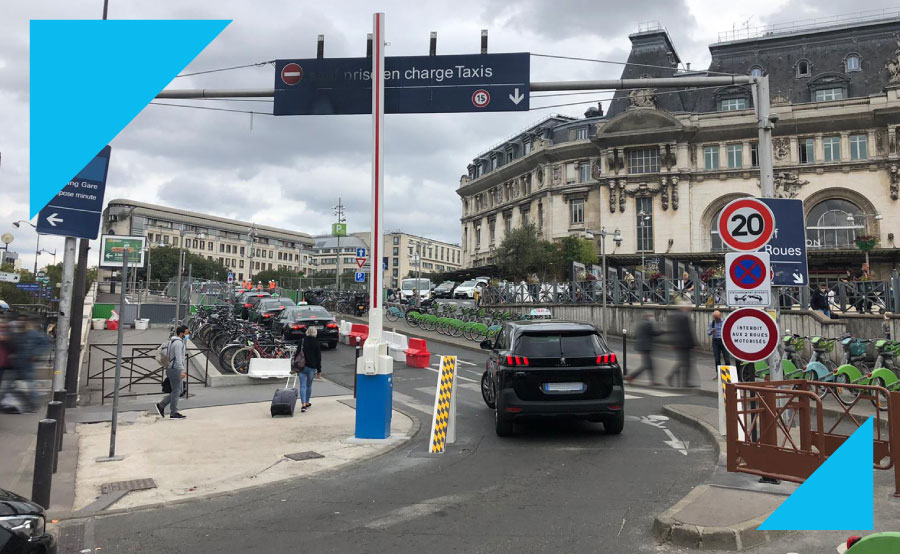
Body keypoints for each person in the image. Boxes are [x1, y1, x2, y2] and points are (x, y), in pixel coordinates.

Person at [156, 325, 189, 419]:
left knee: (179, 391)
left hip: (172, 368)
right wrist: (181, 371)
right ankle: (173, 412)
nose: (188, 334)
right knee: (176, 391)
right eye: (186, 333)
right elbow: (178, 358)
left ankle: (162, 405)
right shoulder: (178, 343)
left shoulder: (174, 341)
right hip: (175, 369)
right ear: (181, 333)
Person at [666, 302, 697, 387]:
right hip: (685, 343)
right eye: (689, 307)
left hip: (677, 343)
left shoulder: (673, 315)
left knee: (682, 362)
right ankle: (684, 382)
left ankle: (672, 377)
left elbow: (671, 330)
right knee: (687, 363)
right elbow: (688, 331)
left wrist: (672, 342)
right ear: (684, 307)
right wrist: (693, 344)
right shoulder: (685, 316)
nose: (690, 309)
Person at [626, 314, 662, 385]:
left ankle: (652, 381)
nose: (653, 318)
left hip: (642, 347)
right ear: (648, 317)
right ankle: (631, 376)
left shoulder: (640, 323)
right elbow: (654, 333)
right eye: (651, 317)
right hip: (645, 347)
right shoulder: (648, 324)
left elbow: (636, 335)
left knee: (649, 364)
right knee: (647, 365)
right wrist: (663, 331)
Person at [299, 327, 322, 413]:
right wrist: (319, 370)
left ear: (307, 332)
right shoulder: (316, 342)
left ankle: (303, 404)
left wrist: (295, 366)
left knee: (302, 386)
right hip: (312, 367)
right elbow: (318, 357)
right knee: (309, 385)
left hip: (302, 366)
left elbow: (297, 353)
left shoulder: (302, 341)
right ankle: (307, 401)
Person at [707, 310, 730, 379]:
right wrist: (711, 331)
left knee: (727, 358)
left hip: (724, 341)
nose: (716, 319)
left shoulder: (725, 321)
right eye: (715, 317)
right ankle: (718, 374)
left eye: (717, 317)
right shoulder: (712, 323)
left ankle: (728, 374)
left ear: (720, 315)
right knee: (717, 358)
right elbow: (708, 333)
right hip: (715, 341)